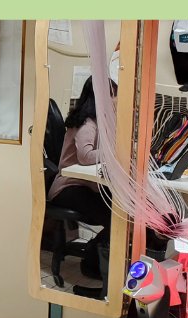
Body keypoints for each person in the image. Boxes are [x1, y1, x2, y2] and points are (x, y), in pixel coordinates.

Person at [47, 75, 114, 284]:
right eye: (112, 96)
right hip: (67, 187)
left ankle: (95, 257)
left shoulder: (96, 121)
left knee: (120, 214)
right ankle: (92, 263)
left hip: (81, 184)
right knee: (114, 219)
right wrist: (113, 154)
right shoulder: (87, 123)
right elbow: (86, 156)